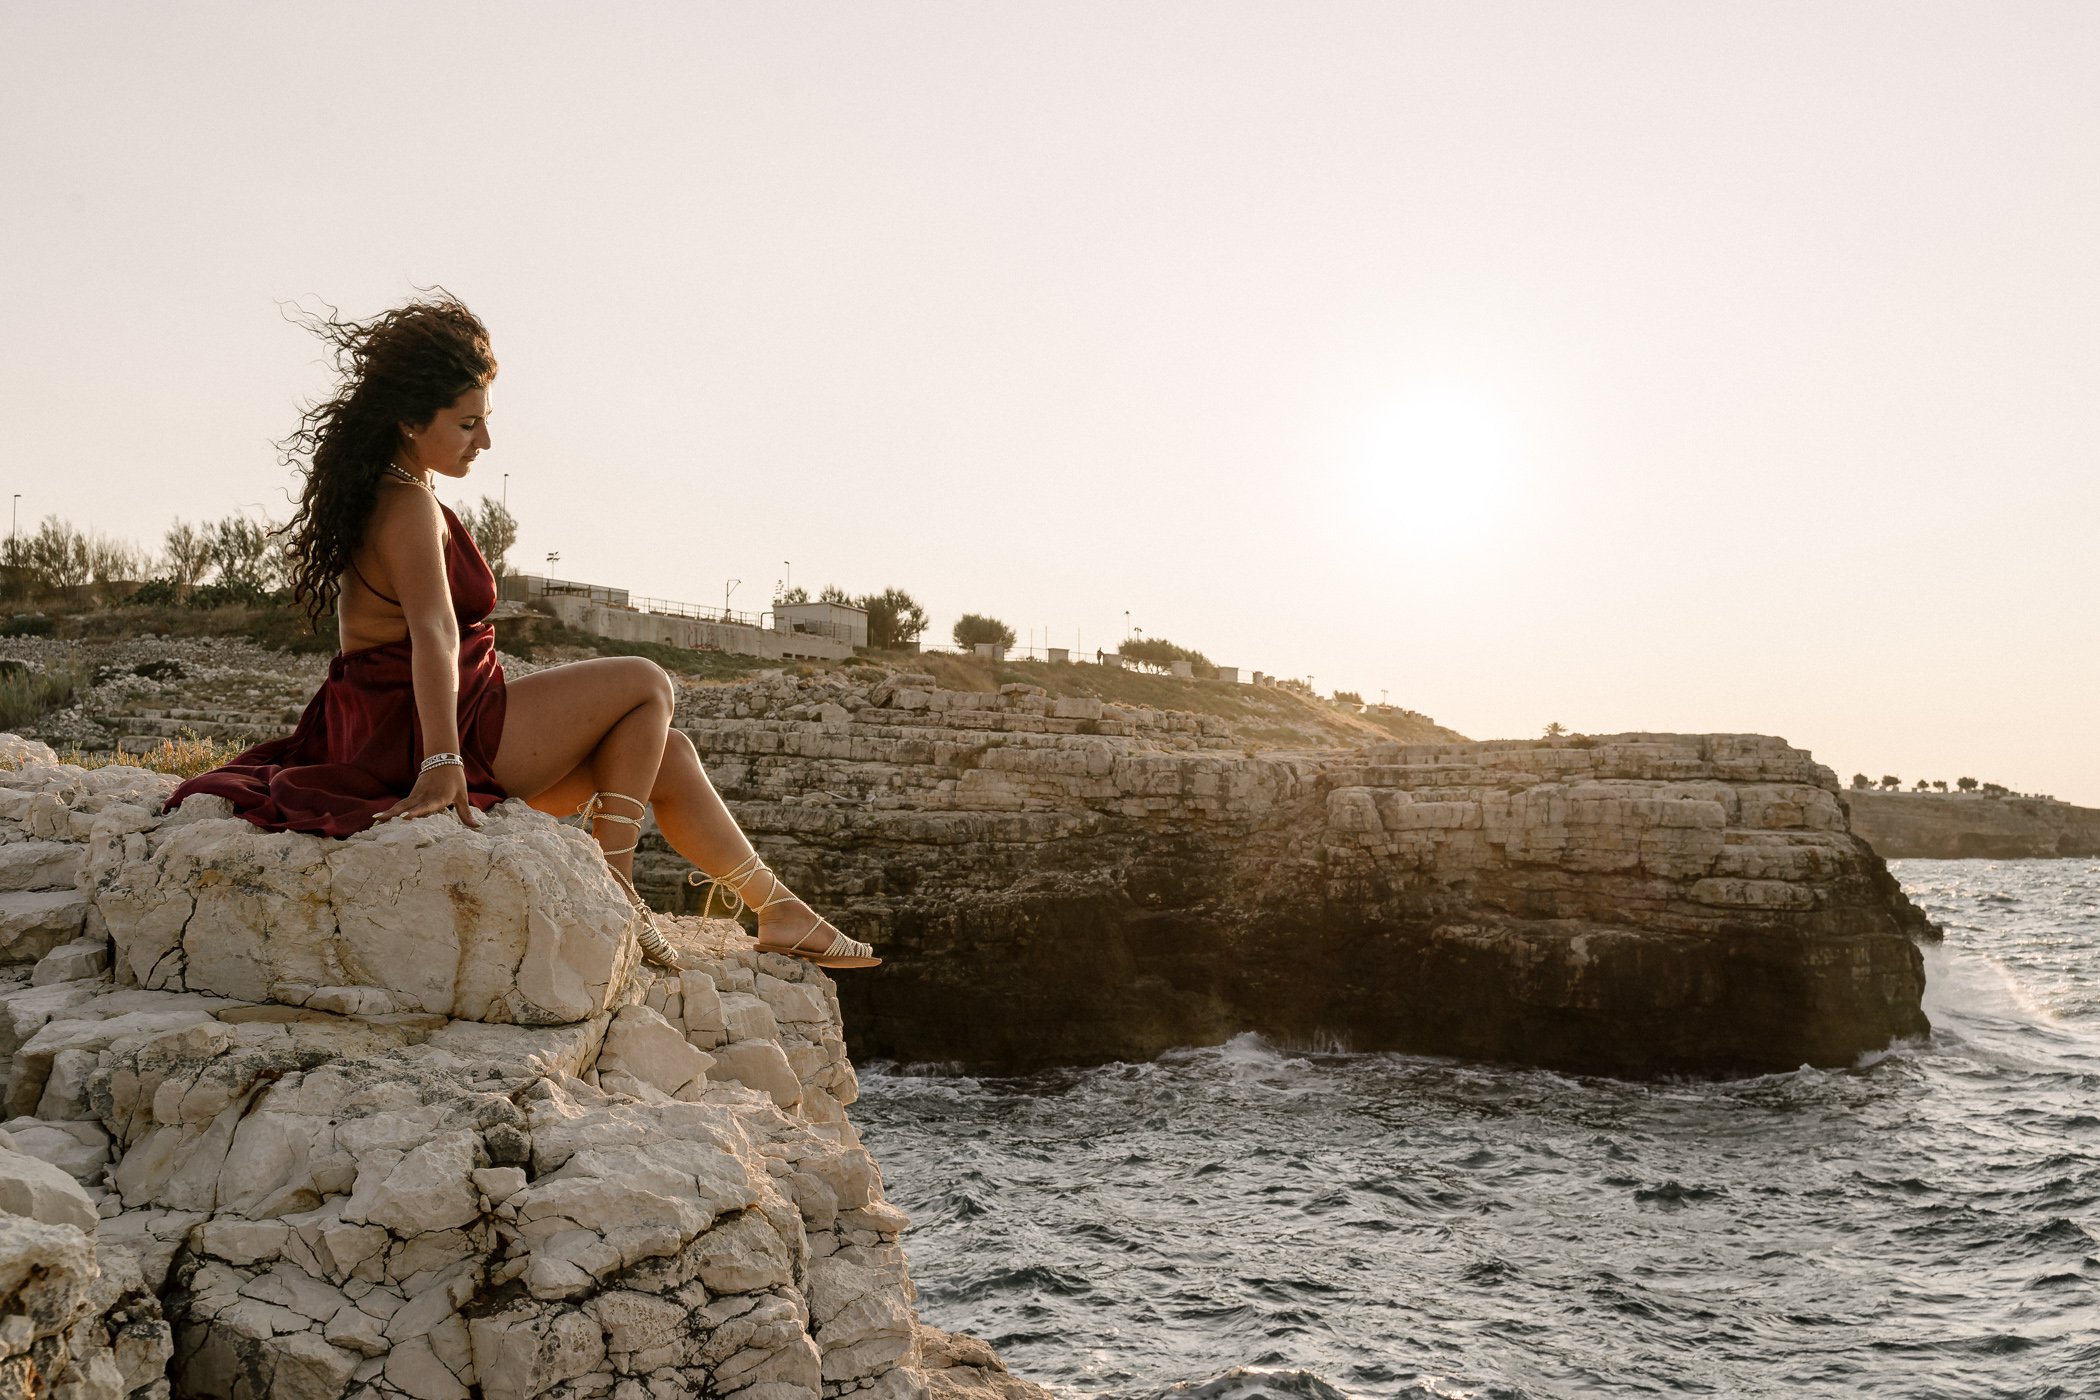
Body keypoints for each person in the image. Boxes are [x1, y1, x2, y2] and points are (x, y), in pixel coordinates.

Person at [162, 293, 878, 970]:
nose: (485, 440)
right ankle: (618, 883)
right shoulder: (407, 506)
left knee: (667, 751)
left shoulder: (394, 490)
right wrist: (441, 760)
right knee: (647, 682)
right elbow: (435, 634)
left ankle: (779, 910)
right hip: (426, 734)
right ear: (411, 420)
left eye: (485, 420)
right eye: (466, 423)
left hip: (405, 724)